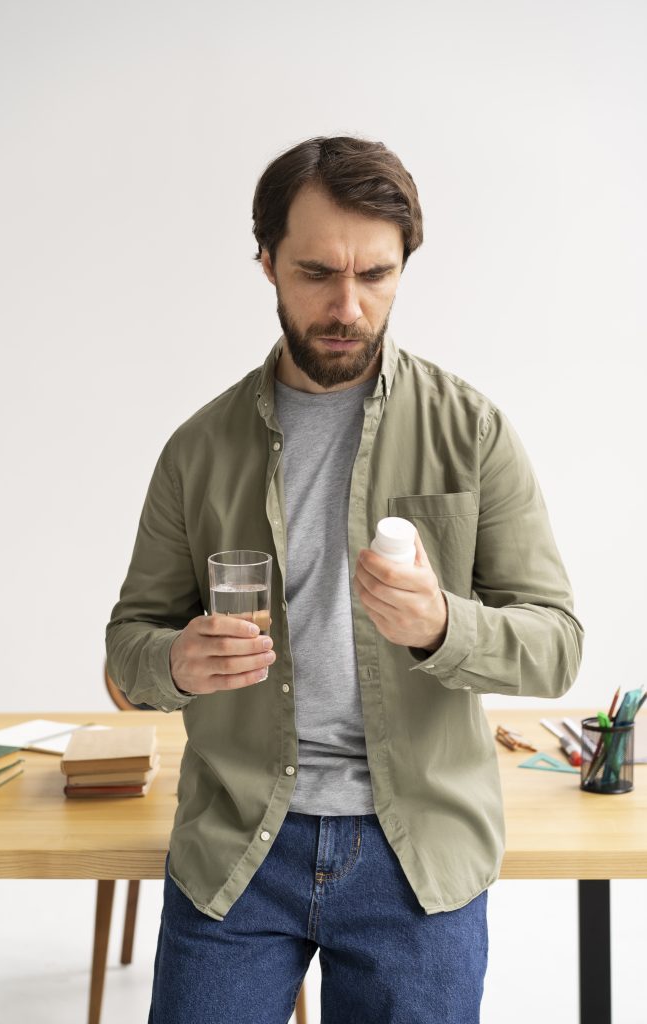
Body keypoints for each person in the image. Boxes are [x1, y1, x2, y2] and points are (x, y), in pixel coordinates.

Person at [105, 135, 583, 1024]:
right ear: (266, 262)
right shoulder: (198, 450)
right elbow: (127, 651)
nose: (347, 306)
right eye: (317, 273)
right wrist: (174, 664)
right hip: (238, 849)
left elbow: (555, 647)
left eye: (376, 275)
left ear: (404, 267)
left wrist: (443, 626)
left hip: (418, 852)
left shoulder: (471, 432)